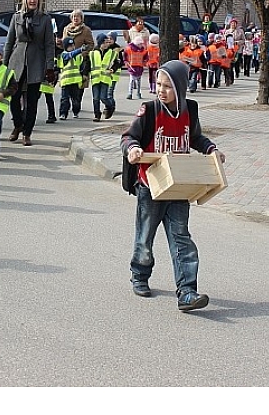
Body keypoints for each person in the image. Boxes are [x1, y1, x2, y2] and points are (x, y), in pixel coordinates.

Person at [120, 60, 225, 310]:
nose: (161, 90)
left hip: (179, 186)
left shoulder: (190, 110)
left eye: (167, 86)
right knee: (145, 237)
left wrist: (212, 150)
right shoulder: (150, 110)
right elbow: (128, 137)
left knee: (181, 238)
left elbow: (196, 137)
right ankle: (140, 275)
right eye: (158, 84)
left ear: (179, 88)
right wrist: (133, 149)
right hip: (151, 187)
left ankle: (187, 291)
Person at [3, 0, 56, 146]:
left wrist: (50, 67)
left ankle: (27, 133)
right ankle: (17, 125)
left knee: (32, 101)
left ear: (38, 1)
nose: (32, 1)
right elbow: (9, 41)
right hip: (17, 61)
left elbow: (49, 44)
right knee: (14, 98)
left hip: (36, 62)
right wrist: (4, 65)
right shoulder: (17, 17)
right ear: (25, 0)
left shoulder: (45, 19)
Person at [89, 33, 121, 121]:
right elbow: (88, 65)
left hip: (105, 78)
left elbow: (118, 63)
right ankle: (97, 115)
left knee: (103, 97)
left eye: (108, 42)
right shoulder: (92, 53)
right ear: (101, 43)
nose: (108, 43)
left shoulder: (111, 52)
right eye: (106, 42)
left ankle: (110, 107)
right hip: (95, 78)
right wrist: (84, 74)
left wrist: (112, 70)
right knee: (96, 98)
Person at [57, 36, 89, 120]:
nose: (72, 47)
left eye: (73, 45)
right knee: (65, 99)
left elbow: (82, 67)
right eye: (70, 46)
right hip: (66, 81)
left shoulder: (78, 56)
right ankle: (63, 113)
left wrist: (83, 75)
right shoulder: (64, 55)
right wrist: (80, 50)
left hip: (76, 80)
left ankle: (76, 112)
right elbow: (70, 55)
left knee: (76, 99)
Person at [124, 35, 148, 99]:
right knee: (132, 81)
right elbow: (125, 55)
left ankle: (138, 93)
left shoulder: (143, 50)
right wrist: (126, 61)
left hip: (140, 67)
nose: (141, 45)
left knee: (138, 81)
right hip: (132, 67)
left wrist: (145, 61)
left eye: (141, 44)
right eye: (140, 44)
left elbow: (146, 57)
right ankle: (130, 93)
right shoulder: (129, 49)